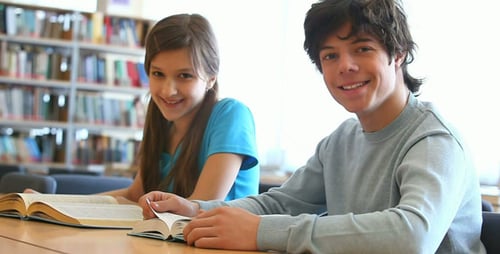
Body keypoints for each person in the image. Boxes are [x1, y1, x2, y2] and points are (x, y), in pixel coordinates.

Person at [138, 0, 485, 253]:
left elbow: (413, 237)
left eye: (362, 48)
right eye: (330, 55)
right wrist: (196, 209)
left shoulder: (435, 139)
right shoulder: (340, 141)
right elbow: (279, 204)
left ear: (398, 54)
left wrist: (262, 232)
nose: (344, 67)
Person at [99, 13, 260, 202]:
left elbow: (201, 206)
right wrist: (67, 206)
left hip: (217, 231)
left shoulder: (232, 114)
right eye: (158, 73)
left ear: (210, 79)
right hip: (169, 232)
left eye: (184, 76)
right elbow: (135, 195)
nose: (168, 91)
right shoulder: (161, 122)